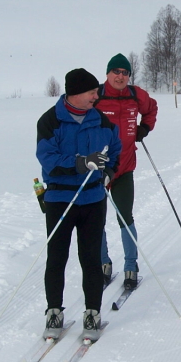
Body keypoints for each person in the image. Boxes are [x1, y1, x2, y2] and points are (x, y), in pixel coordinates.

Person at [36, 68, 122, 341]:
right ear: (75, 93)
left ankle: (92, 313)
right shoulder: (50, 121)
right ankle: (54, 312)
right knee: (57, 258)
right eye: (91, 92)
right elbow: (48, 159)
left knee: (91, 258)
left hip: (92, 199)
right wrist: (82, 163)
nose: (96, 96)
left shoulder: (101, 120)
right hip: (60, 199)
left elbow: (115, 149)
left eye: (96, 92)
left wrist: (109, 171)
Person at [95, 53, 158, 290]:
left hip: (124, 168)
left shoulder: (135, 94)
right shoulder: (97, 95)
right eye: (116, 72)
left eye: (125, 73)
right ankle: (103, 263)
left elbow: (151, 108)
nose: (120, 76)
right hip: (99, 170)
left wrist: (144, 128)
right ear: (108, 73)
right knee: (96, 219)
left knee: (125, 217)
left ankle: (131, 266)